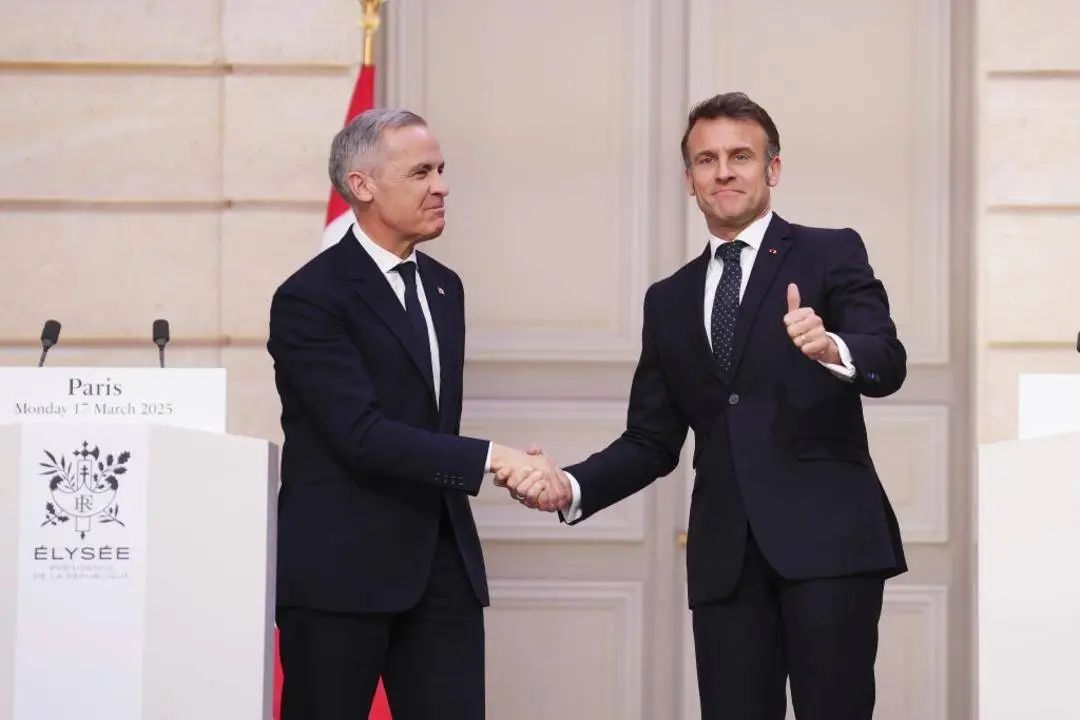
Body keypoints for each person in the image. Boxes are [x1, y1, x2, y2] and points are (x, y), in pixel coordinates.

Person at [501, 92, 906, 719]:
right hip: (726, 561)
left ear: (772, 168)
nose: (723, 172)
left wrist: (832, 348)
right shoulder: (668, 299)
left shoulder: (830, 252)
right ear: (690, 179)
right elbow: (651, 441)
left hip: (830, 548)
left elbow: (887, 361)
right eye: (706, 160)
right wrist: (571, 486)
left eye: (740, 156)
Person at [267, 108, 564, 720]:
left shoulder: (445, 287)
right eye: (421, 172)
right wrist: (495, 459)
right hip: (340, 576)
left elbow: (428, 424)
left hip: (441, 569)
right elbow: (360, 434)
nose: (442, 186)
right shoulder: (309, 298)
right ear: (362, 185)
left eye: (441, 170)